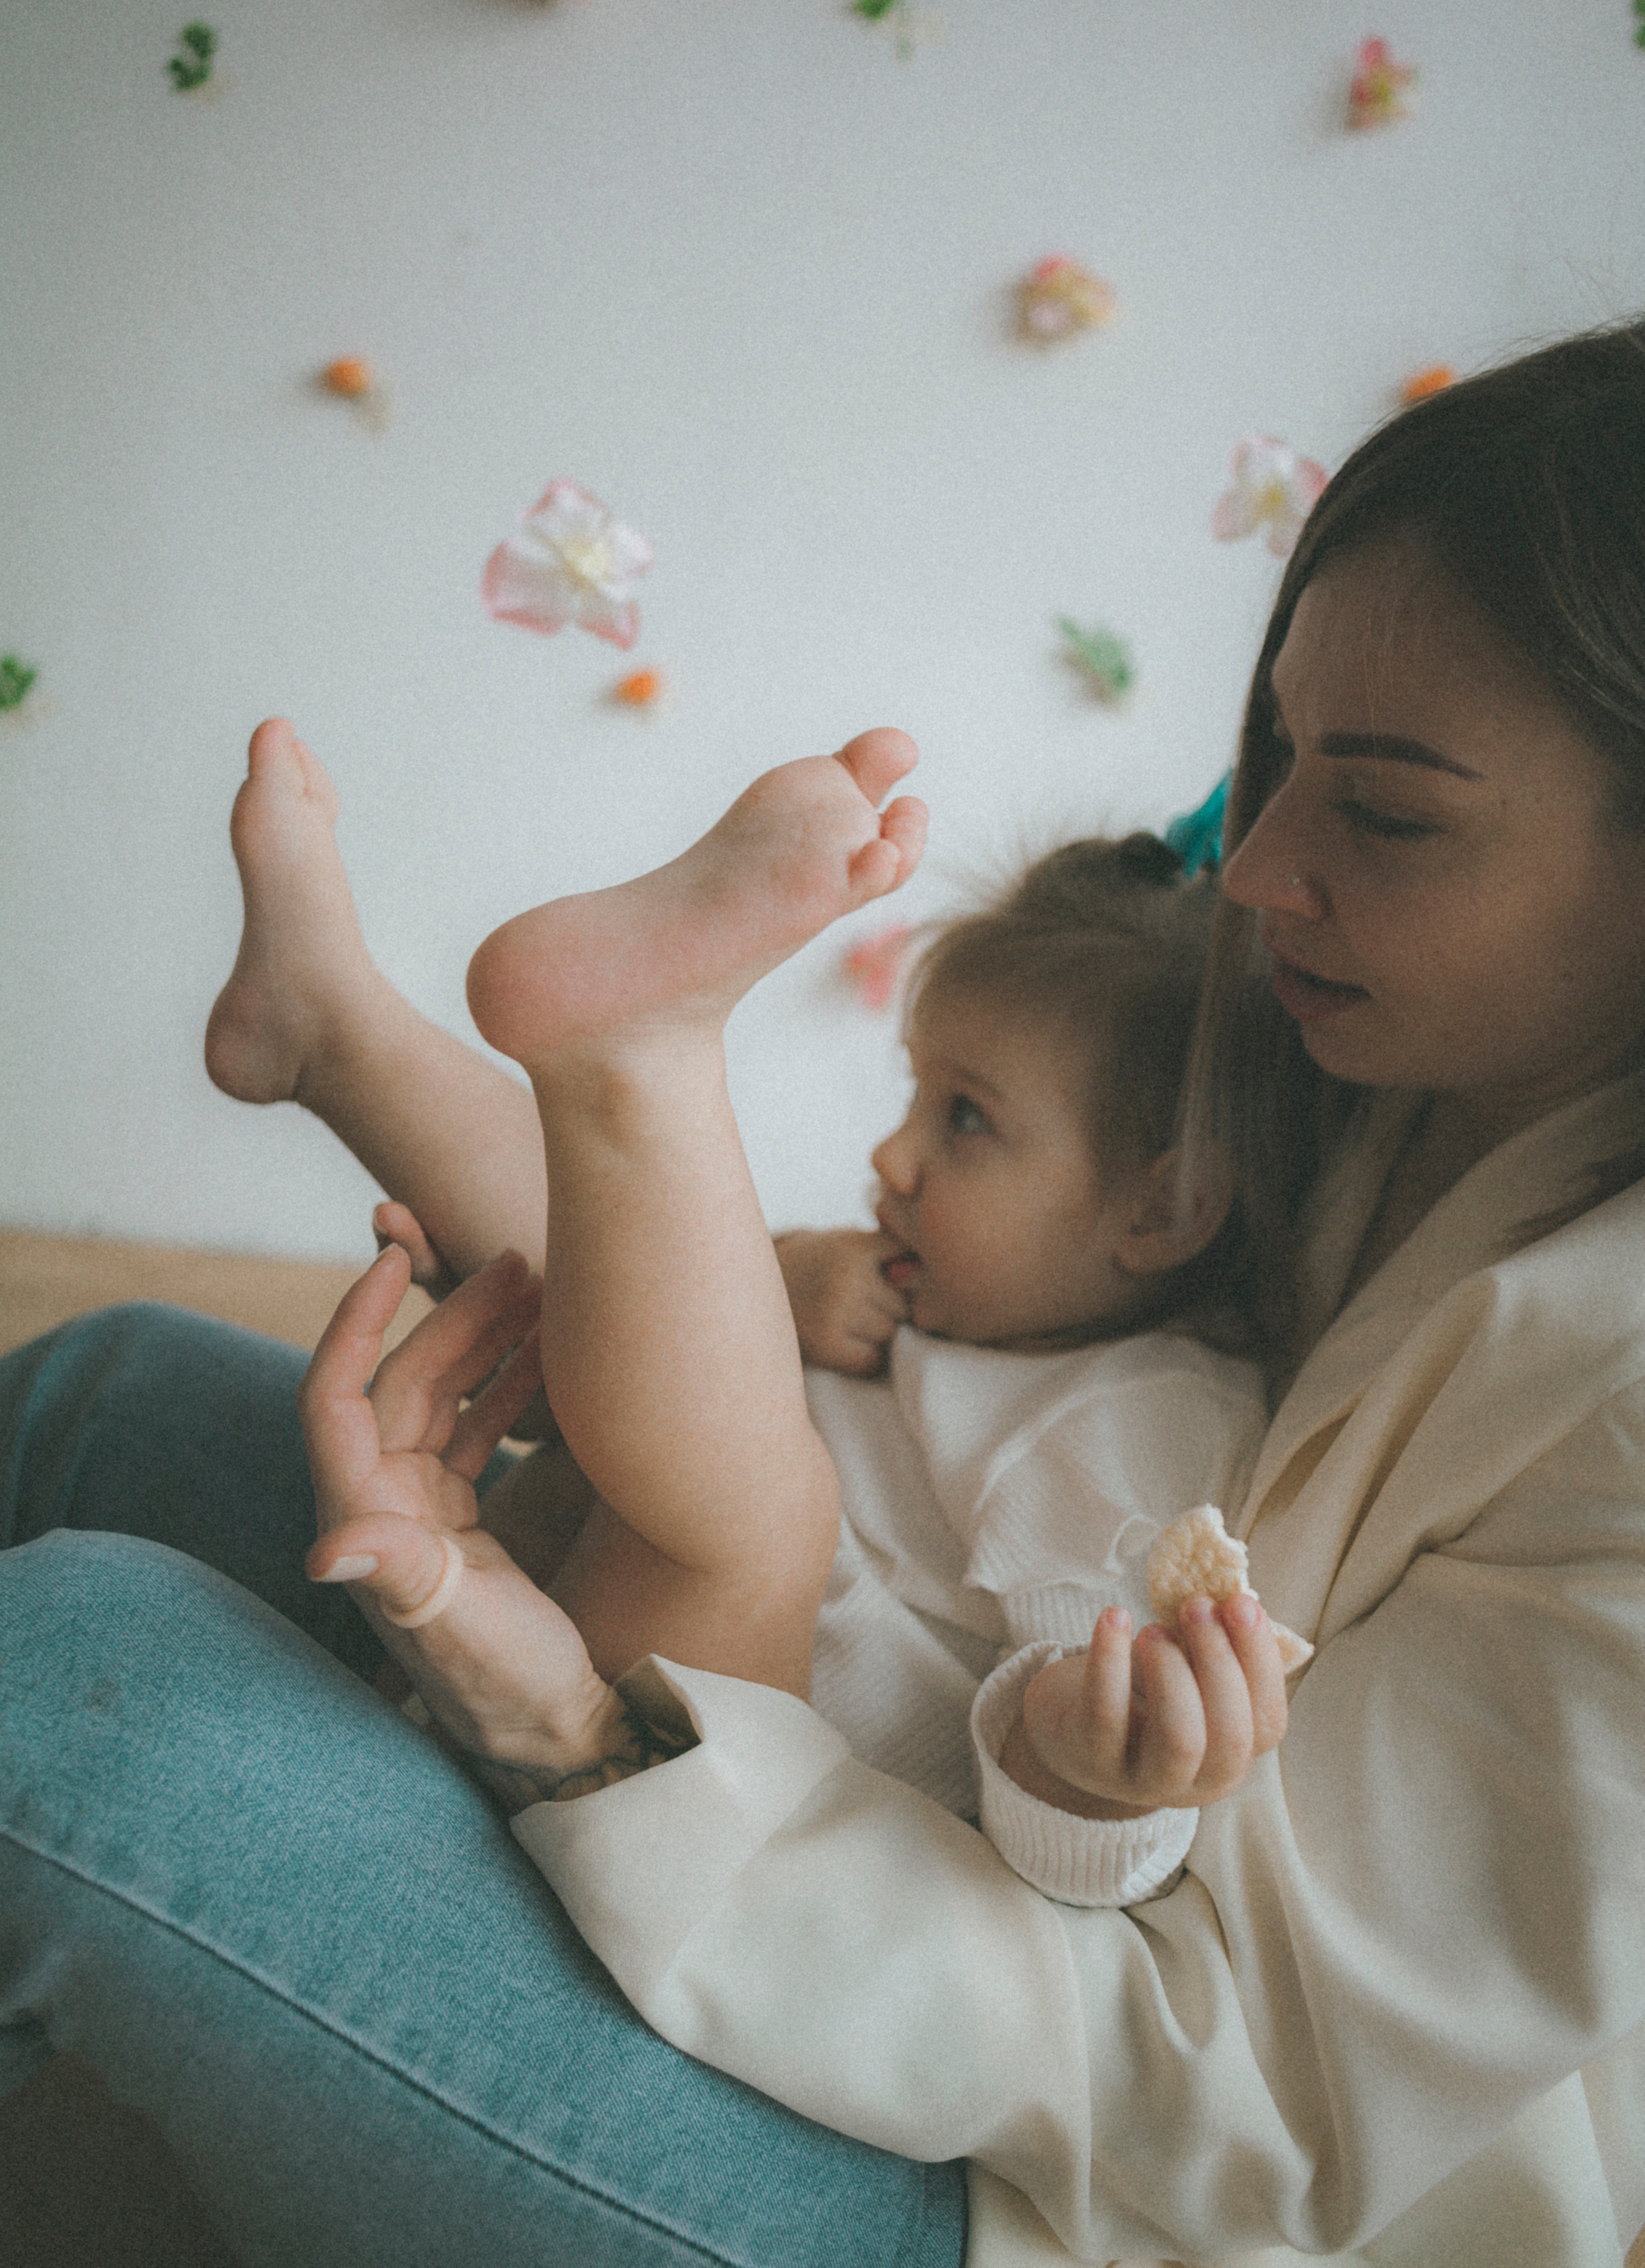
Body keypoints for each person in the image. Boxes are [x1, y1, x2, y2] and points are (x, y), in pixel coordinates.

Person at [1, 318, 1642, 2267]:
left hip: (1040, 2159)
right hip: (869, 1757)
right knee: (102, 1389)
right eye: (1273, 752)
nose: (1262, 864)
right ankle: (429, 1049)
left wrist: (571, 1734)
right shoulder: (1315, 1007)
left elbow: (1231, 2085)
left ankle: (606, 1066)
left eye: (1378, 811)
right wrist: (751, 1273)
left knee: (74, 1684)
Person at [207, 746, 1274, 1816]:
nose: (890, 1159)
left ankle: (633, 1058)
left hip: (730, 1803)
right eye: (918, 1096)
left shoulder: (1137, 1423)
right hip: (521, 1647)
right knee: (620, 1250)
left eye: (967, 1119)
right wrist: (785, 1279)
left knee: (754, 1472)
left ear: (1160, 1211)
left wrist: (1088, 1779)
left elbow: (1087, 1741)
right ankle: (329, 1026)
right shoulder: (946, 1306)